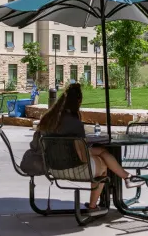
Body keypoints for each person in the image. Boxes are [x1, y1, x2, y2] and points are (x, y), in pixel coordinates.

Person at [35, 83, 140, 211]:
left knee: (102, 152)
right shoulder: (75, 124)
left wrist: (96, 151)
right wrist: (93, 151)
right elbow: (82, 156)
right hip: (72, 168)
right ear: (78, 101)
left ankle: (127, 177)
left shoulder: (48, 119)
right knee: (102, 164)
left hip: (52, 166)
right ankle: (93, 205)